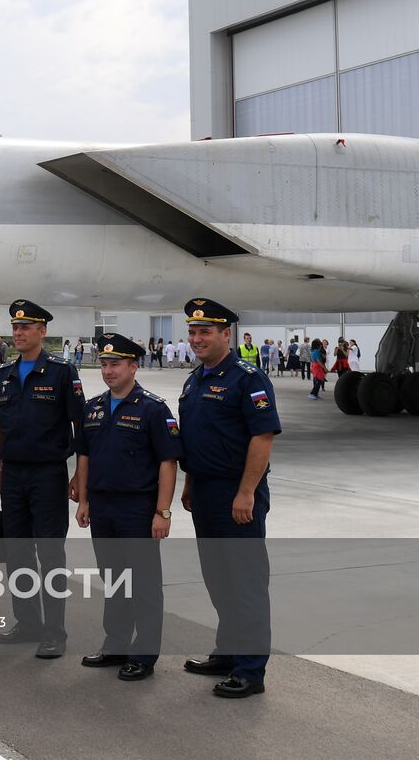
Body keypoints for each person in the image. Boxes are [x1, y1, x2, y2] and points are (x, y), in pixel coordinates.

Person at [177, 298, 280, 698]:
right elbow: (195, 438)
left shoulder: (247, 378)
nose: (197, 338)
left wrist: (246, 491)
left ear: (226, 333)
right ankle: (229, 651)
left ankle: (251, 670)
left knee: (245, 581)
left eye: (205, 331)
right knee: (218, 577)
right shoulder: (194, 379)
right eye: (192, 331)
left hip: (237, 493)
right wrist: (188, 482)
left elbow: (263, 435)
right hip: (203, 490)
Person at [74, 333, 182, 681]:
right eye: (104, 364)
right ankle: (116, 643)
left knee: (144, 584)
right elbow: (85, 457)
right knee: (115, 580)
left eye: (115, 364)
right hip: (103, 509)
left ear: (133, 366)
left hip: (138, 509)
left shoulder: (153, 408)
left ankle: (144, 653)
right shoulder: (93, 407)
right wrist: (85, 501)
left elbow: (168, 462)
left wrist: (162, 512)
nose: (108, 371)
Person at [0, 299, 84, 659]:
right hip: (13, 474)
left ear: (42, 332)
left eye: (26, 327)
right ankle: (27, 622)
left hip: (48, 473)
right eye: (15, 327)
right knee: (17, 553)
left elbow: (80, 423)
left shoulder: (62, 372)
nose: (19, 332)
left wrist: (79, 472)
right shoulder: (7, 373)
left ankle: (54, 632)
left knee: (49, 553)